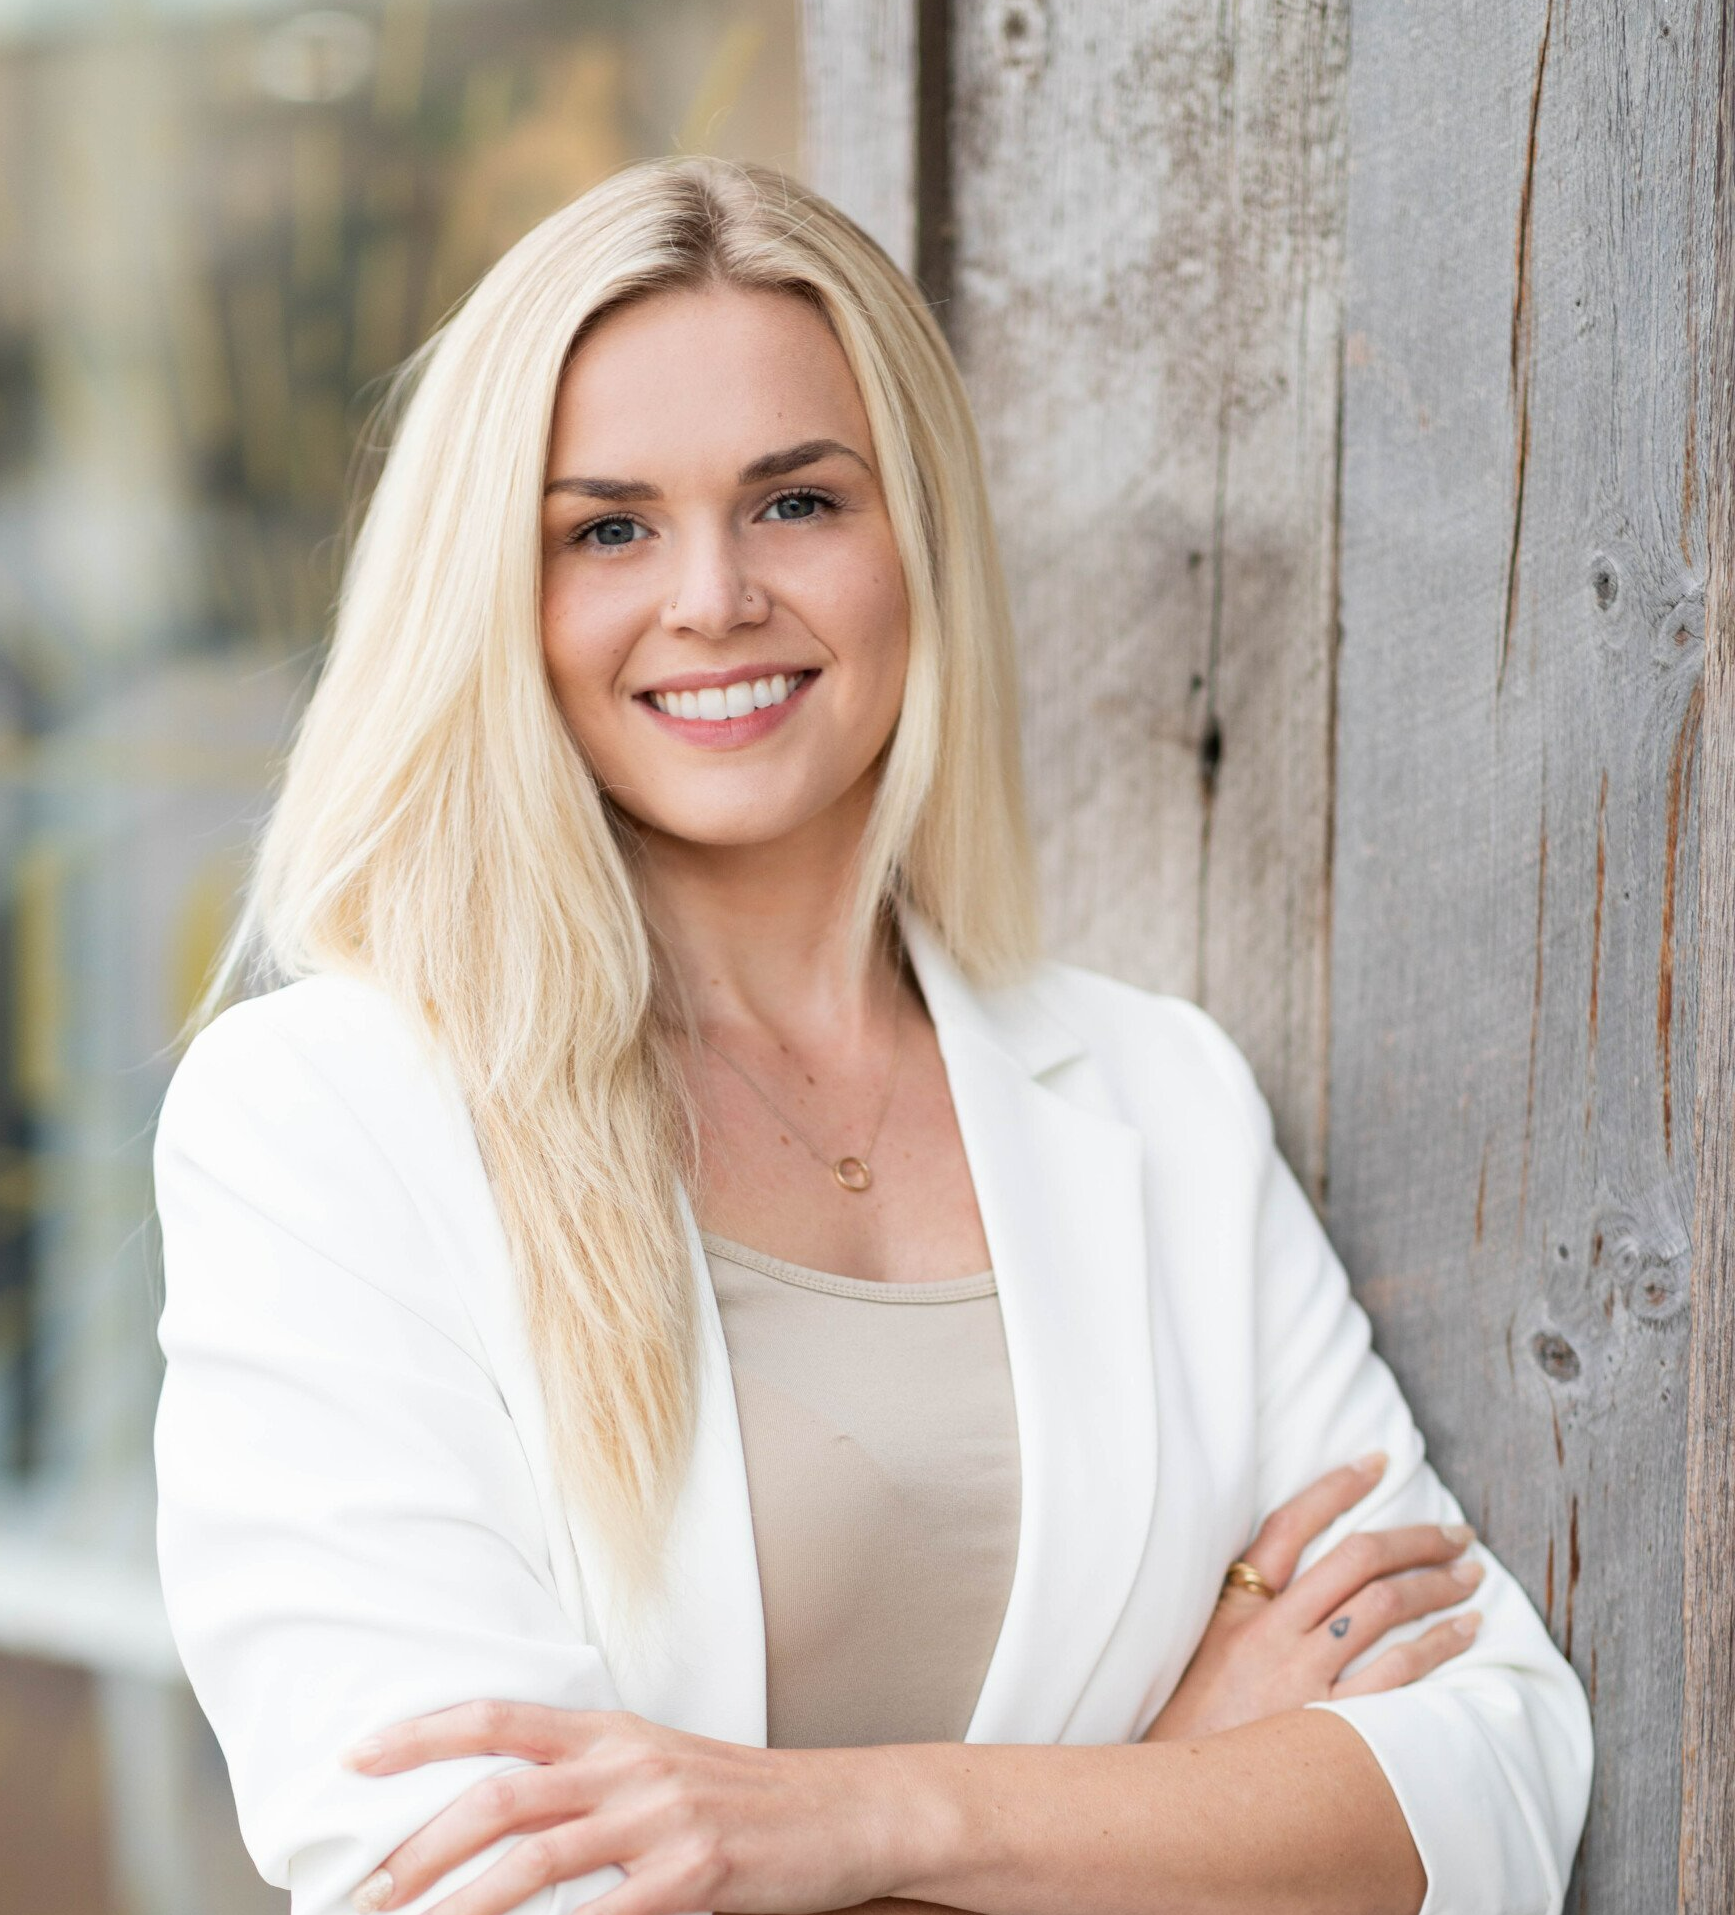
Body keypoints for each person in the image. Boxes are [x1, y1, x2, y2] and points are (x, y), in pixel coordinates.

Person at [150, 156, 1591, 1915]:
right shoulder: (329, 1118)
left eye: (797, 503)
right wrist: (1161, 1799)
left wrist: (873, 1824)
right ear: (494, 598)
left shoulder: (1158, 1095)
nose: (711, 599)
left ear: (916, 534)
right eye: (606, 527)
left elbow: (1492, 1781)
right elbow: (468, 1888)